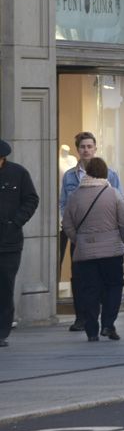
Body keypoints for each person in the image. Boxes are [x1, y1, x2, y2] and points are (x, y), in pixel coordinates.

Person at [61, 157, 124, 342]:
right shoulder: (113, 194)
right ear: (105, 173)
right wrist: (119, 239)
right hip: (112, 251)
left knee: (89, 289)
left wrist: (79, 240)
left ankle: (91, 329)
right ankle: (108, 324)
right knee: (114, 286)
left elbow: (67, 224)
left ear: (88, 173)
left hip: (85, 252)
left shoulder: (75, 196)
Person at [0, 138, 40, 348]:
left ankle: (2, 330)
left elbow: (31, 199)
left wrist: (16, 222)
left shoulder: (18, 173)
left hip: (9, 242)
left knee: (5, 286)